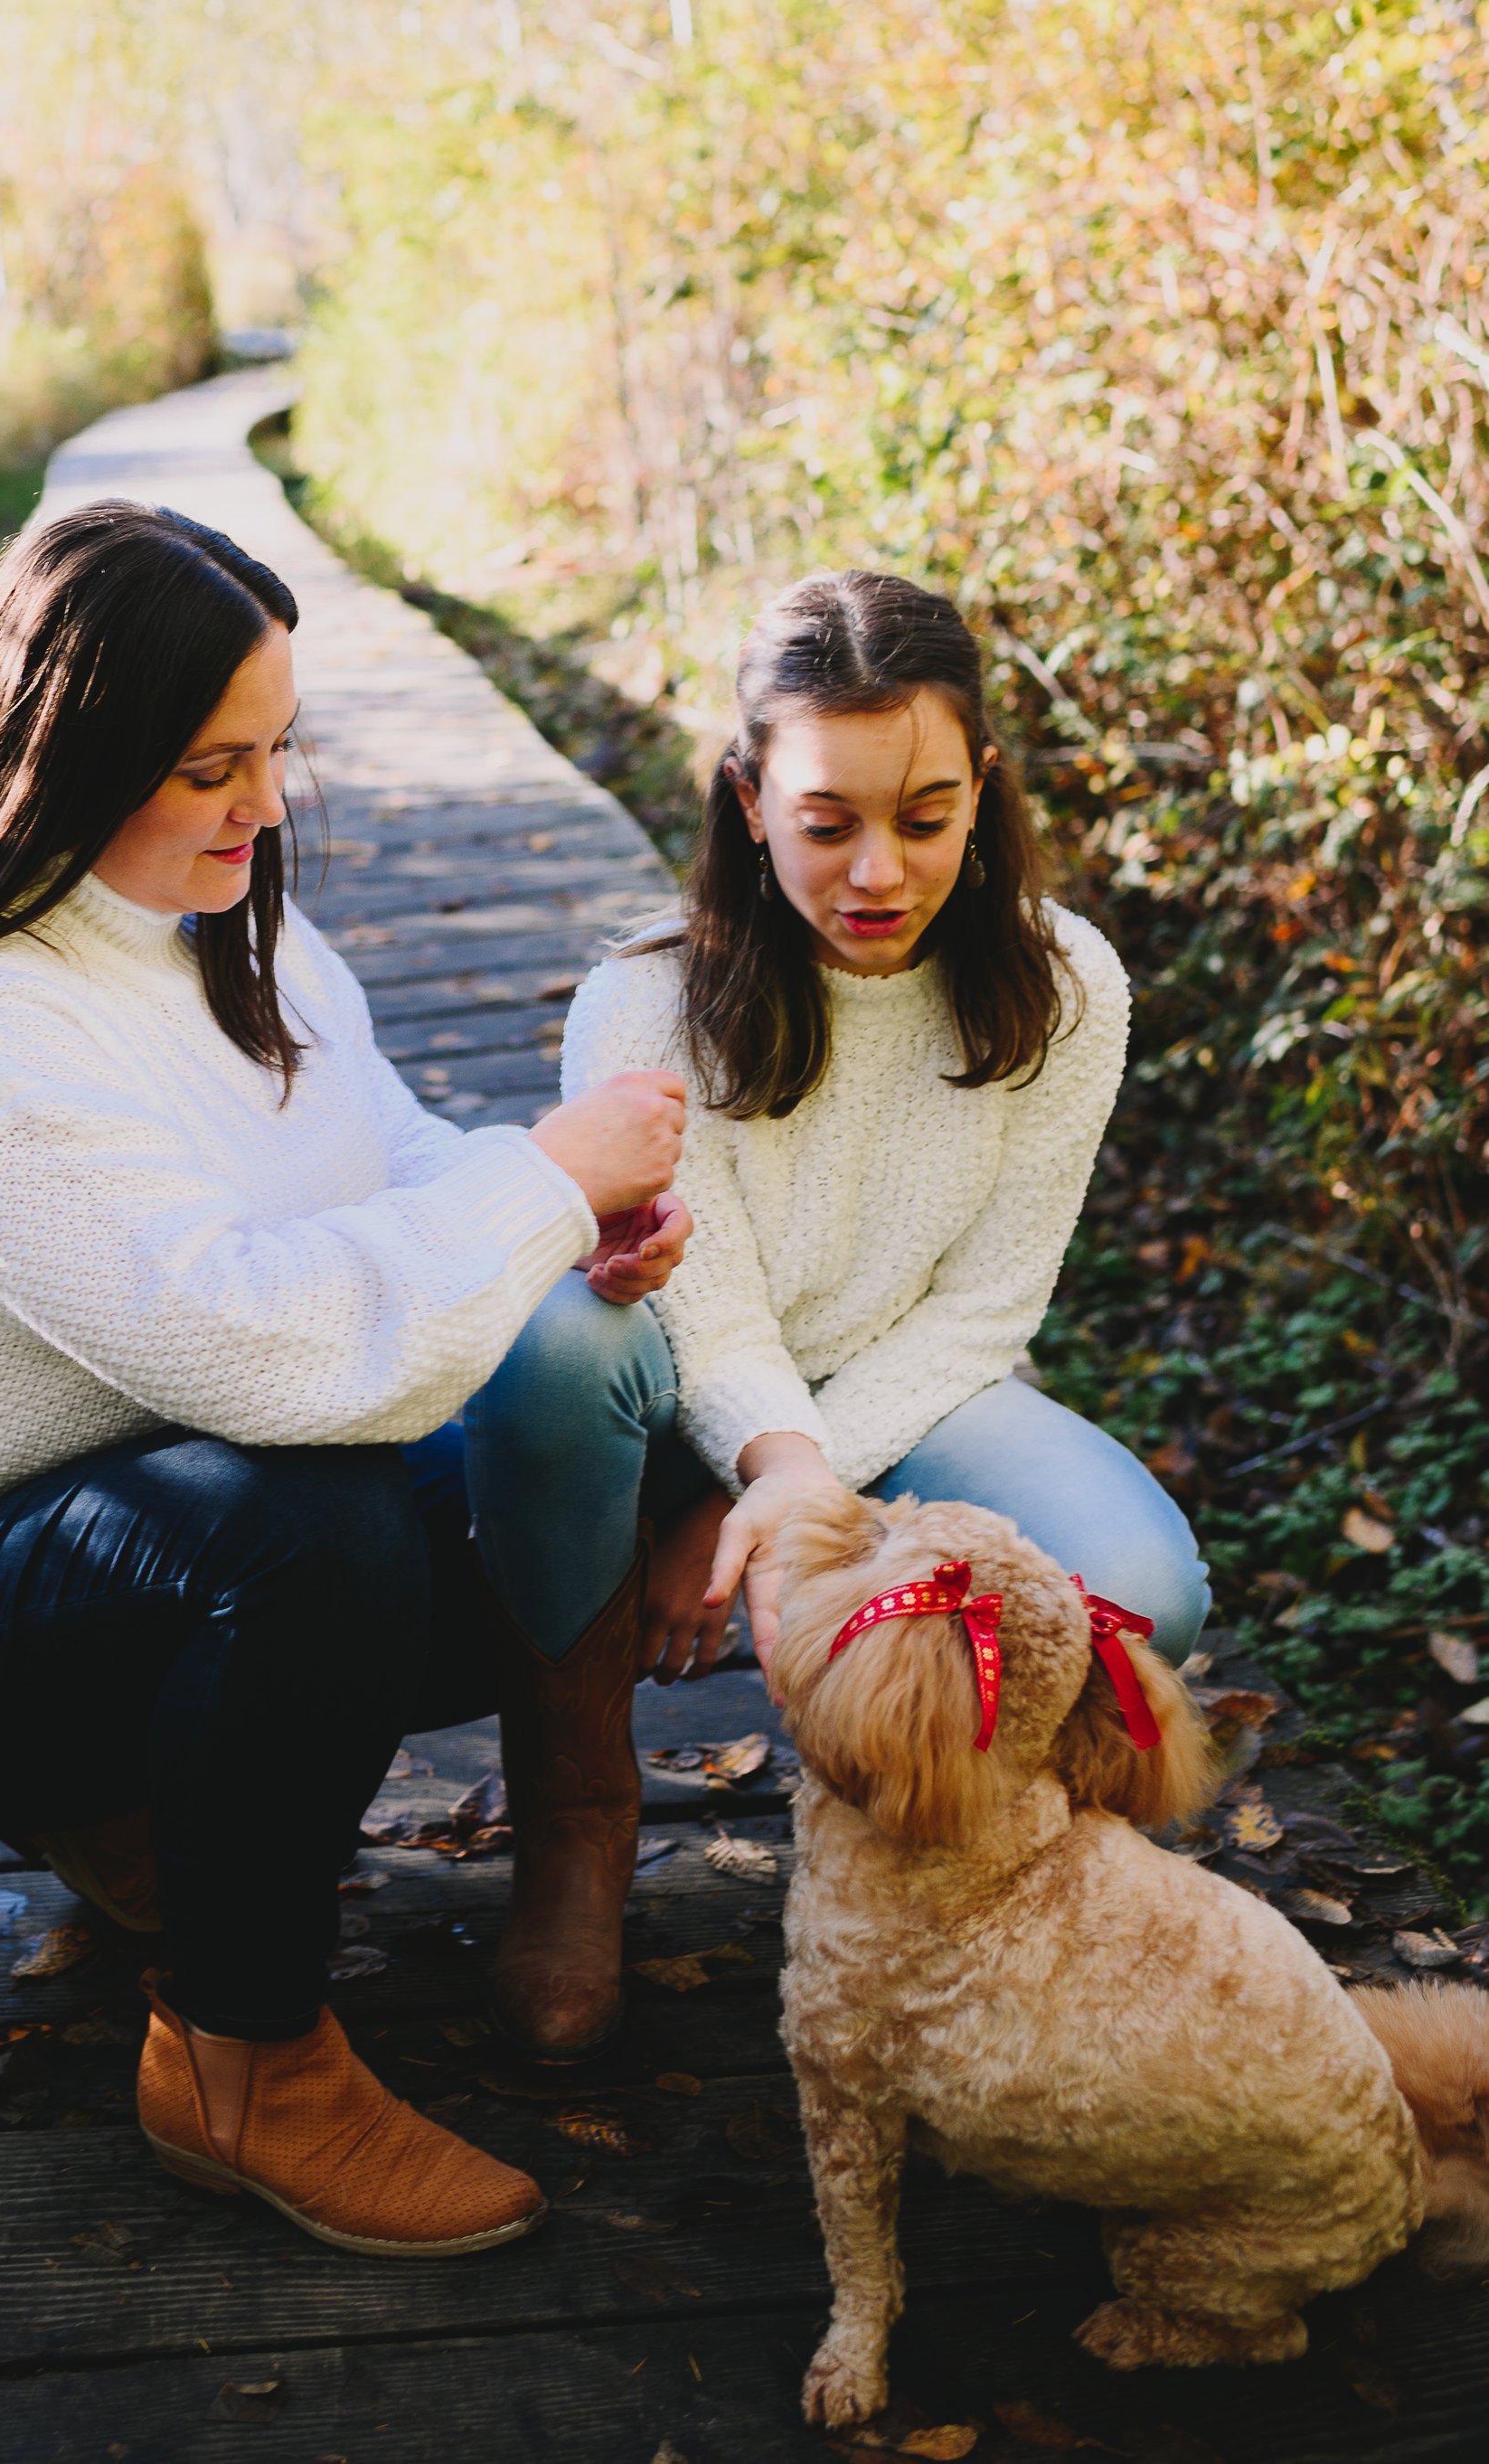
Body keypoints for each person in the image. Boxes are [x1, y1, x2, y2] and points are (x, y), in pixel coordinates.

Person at [0, 499, 691, 2257]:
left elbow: (393, 1162)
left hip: (115, 1514)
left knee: (589, 1411)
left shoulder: (241, 937)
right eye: (216, 763)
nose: (270, 801)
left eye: (277, 748)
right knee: (311, 1533)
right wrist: (541, 1177)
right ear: (70, 761)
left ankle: (153, 1795)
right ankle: (241, 2063)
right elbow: (250, 1343)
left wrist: (570, 1241)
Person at [464, 568, 1203, 2063]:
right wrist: (767, 1475)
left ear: (982, 789)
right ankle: (579, 1822)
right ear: (748, 799)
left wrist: (788, 1496)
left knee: (1144, 1588)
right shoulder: (642, 1004)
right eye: (828, 822)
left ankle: (966, 1864)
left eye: (927, 817)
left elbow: (983, 1312)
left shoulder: (1070, 988)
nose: (880, 869)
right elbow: (710, 1314)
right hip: (676, 1385)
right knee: (555, 1338)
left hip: (907, 1391)